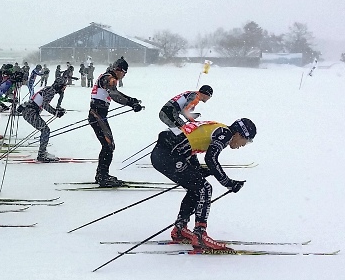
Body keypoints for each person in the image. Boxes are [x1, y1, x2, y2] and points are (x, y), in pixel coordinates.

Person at [150, 118, 256, 251]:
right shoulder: (226, 133)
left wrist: (198, 170)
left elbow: (190, 144)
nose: (244, 145)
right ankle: (200, 235)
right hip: (168, 154)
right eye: (247, 140)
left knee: (196, 188)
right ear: (239, 134)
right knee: (205, 189)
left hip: (164, 153)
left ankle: (180, 228)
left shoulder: (217, 127)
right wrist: (228, 183)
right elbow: (211, 158)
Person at [88, 57, 143, 187]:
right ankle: (102, 176)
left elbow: (116, 93)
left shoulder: (108, 77)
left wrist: (132, 100)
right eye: (124, 73)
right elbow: (114, 95)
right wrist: (130, 103)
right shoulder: (109, 78)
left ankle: (102, 174)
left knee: (109, 146)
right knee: (108, 145)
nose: (124, 75)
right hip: (97, 115)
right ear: (119, 70)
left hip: (99, 115)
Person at [19, 76, 67, 162]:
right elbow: (45, 104)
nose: (64, 89)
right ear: (59, 86)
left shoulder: (48, 89)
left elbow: (37, 99)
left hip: (29, 110)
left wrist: (56, 110)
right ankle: (42, 154)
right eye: (64, 86)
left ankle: (42, 152)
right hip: (30, 112)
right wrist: (55, 113)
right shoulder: (51, 91)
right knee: (45, 130)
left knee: (45, 129)